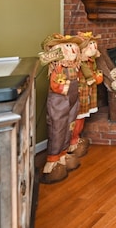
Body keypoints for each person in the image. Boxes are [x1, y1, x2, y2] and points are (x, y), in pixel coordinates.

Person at [39, 33, 83, 184]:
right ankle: (52, 159)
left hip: (72, 101)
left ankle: (63, 154)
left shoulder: (75, 67)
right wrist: (62, 88)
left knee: (69, 126)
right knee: (57, 128)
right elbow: (55, 84)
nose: (71, 50)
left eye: (73, 46)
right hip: (59, 101)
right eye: (67, 46)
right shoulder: (57, 68)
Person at [71, 31, 103, 158]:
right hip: (81, 92)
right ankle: (73, 140)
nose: (94, 47)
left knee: (80, 117)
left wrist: (96, 76)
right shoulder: (79, 63)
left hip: (87, 91)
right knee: (77, 117)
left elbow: (92, 71)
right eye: (91, 44)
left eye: (95, 44)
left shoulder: (90, 61)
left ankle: (76, 138)